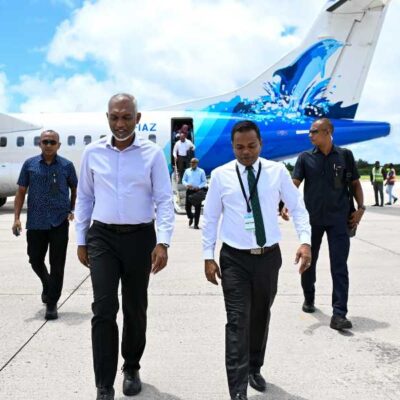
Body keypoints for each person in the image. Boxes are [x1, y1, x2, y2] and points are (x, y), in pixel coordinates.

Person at [202, 120, 311, 400]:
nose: (246, 152)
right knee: (237, 321)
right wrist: (208, 256)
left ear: (261, 144)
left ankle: (254, 367)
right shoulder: (220, 175)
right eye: (239, 147)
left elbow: (298, 208)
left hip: (268, 257)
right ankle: (237, 391)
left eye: (251, 146)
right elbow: (210, 218)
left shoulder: (277, 172)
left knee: (260, 316)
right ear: (232, 147)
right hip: (234, 259)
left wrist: (305, 241)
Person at [75, 93, 174, 400]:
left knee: (135, 307)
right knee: (103, 309)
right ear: (107, 118)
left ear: (138, 118)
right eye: (115, 117)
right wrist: (81, 239)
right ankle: (103, 385)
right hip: (102, 237)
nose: (120, 123)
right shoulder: (92, 152)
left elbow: (164, 200)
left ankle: (131, 367)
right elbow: (84, 197)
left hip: (140, 238)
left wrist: (163, 242)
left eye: (127, 117)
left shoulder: (152, 154)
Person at [290, 117, 365, 331]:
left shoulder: (345, 155)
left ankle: (339, 314)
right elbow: (294, 183)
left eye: (314, 131)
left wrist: (361, 208)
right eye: (310, 131)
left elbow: (355, 183)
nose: (310, 135)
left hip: (339, 220)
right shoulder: (304, 158)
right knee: (309, 263)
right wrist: (285, 202)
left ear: (328, 132)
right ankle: (309, 297)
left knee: (339, 266)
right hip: (312, 220)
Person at [12, 130, 77, 320]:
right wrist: (16, 218)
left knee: (57, 264)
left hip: (59, 222)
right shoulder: (30, 165)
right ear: (39, 144)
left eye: (52, 142)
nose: (48, 145)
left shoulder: (66, 166)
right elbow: (21, 191)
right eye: (45, 141)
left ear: (58, 145)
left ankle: (52, 303)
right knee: (34, 259)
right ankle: (47, 283)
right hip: (36, 222)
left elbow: (75, 188)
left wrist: (72, 209)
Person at [182, 158, 207, 229]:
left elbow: (204, 181)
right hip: (189, 191)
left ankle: (196, 224)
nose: (192, 164)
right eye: (191, 162)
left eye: (194, 163)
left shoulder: (201, 171)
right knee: (187, 207)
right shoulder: (187, 171)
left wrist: (199, 187)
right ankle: (191, 216)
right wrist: (187, 184)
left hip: (197, 191)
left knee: (197, 209)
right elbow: (183, 180)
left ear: (197, 163)